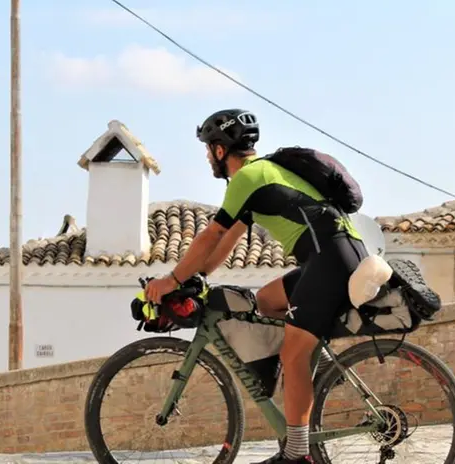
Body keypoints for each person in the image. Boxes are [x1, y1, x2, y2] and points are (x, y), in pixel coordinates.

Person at [143, 108, 367, 463]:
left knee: (292, 355)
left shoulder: (249, 178)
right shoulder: (261, 177)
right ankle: (320, 362)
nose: (207, 158)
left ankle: (296, 454)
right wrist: (197, 280)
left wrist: (171, 280)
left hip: (330, 259)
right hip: (333, 256)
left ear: (220, 150)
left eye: (208, 150)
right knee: (266, 299)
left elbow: (211, 233)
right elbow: (223, 246)